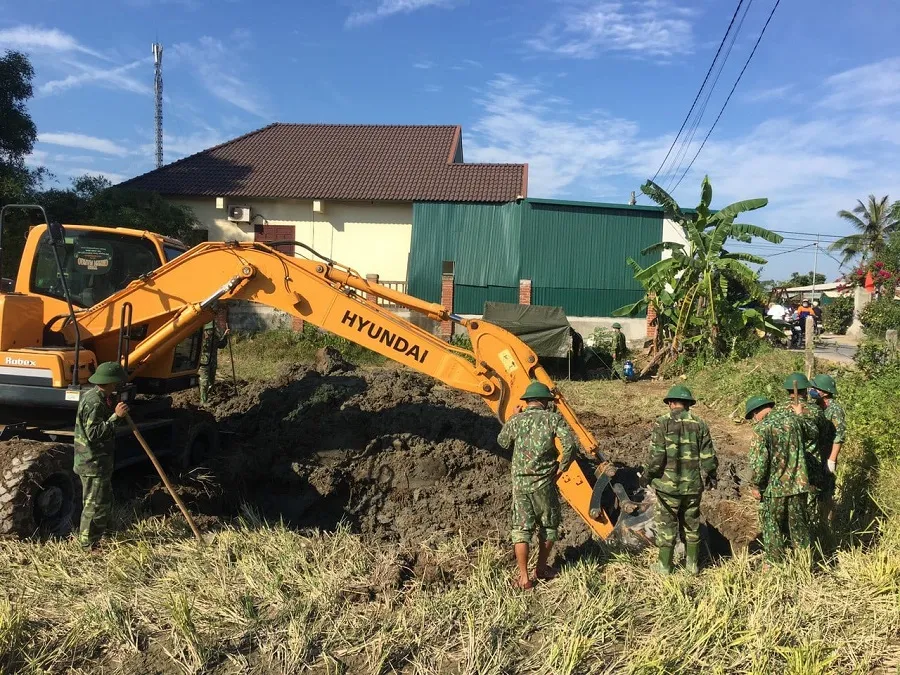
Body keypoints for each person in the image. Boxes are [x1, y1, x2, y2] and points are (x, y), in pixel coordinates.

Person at [497, 381, 578, 590]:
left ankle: (524, 578)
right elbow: (570, 444)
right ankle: (541, 569)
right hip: (545, 482)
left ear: (527, 401)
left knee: (521, 530)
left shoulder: (518, 420)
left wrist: (514, 417)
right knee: (549, 526)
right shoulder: (553, 419)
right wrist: (562, 466)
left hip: (520, 483)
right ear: (545, 401)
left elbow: (502, 441)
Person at [645, 385, 717, 575]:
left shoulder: (662, 423)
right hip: (692, 487)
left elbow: (656, 457)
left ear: (670, 403)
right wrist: (711, 475)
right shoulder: (700, 423)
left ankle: (664, 567)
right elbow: (708, 458)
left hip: (667, 489)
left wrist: (647, 476)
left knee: (666, 527)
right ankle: (692, 566)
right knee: (692, 525)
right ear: (688, 404)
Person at [745, 395, 813, 562]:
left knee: (772, 527)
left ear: (756, 412)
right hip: (799, 485)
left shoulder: (762, 429)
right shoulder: (795, 421)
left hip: (774, 489)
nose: (754, 420)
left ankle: (776, 565)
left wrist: (756, 485)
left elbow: (759, 463)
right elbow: (813, 432)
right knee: (799, 528)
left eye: (753, 417)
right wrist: (800, 415)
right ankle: (804, 564)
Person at [73, 361, 129, 551]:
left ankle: (101, 532)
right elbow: (94, 434)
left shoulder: (99, 397)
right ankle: (88, 545)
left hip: (99, 461)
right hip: (92, 461)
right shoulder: (94, 402)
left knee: (102, 500)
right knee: (93, 505)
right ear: (111, 381)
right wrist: (116, 417)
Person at [781, 372, 829, 530]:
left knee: (788, 508)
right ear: (805, 390)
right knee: (808, 510)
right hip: (810, 468)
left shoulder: (777, 411)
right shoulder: (815, 411)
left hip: (785, 469)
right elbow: (823, 435)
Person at [810, 374, 845, 523]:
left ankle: (828, 522)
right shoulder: (816, 405)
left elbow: (839, 436)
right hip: (816, 453)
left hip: (827, 453)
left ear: (824, 391)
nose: (812, 390)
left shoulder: (835, 409)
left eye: (815, 388)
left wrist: (832, 459)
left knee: (827, 490)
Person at [198, 319, 230, 404]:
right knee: (204, 381)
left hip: (212, 362)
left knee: (211, 382)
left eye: (212, 330)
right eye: (209, 330)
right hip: (203, 362)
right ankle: (203, 401)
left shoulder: (215, 337)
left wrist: (225, 335)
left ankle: (208, 396)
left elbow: (221, 345)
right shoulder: (201, 338)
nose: (211, 332)